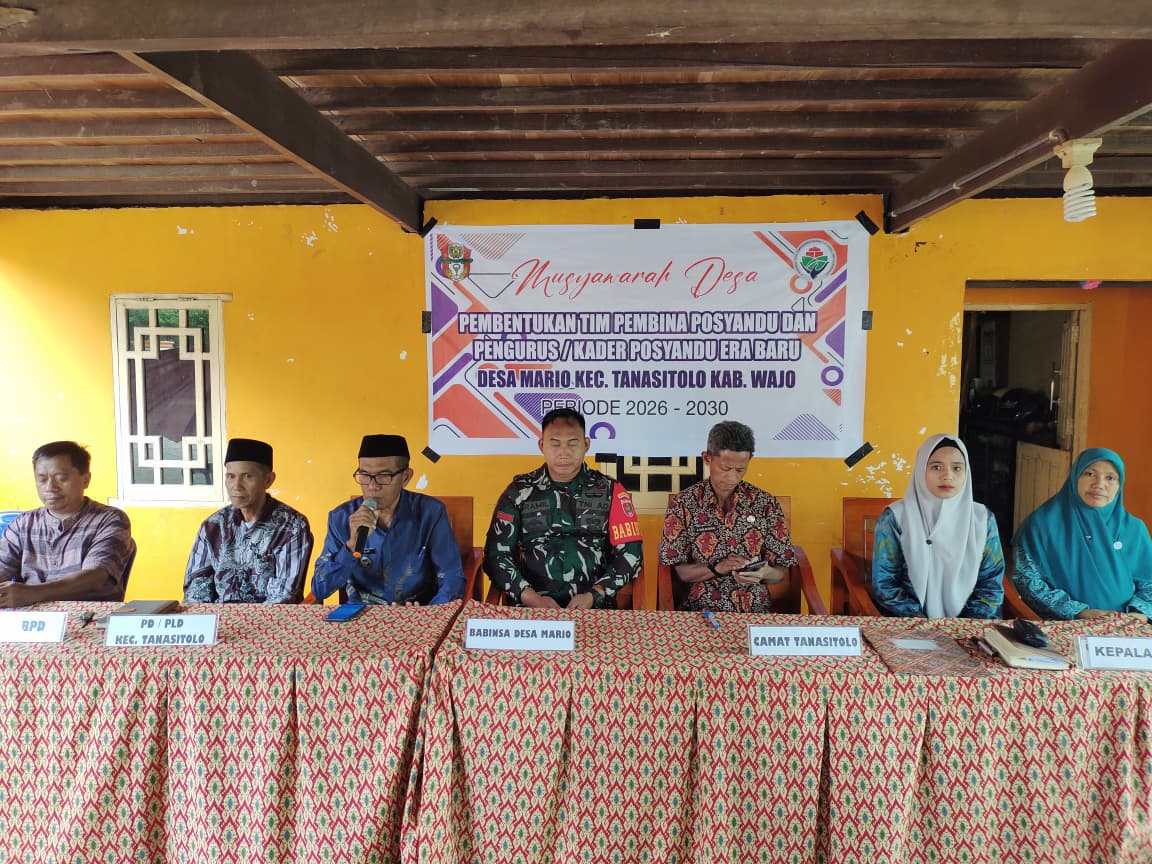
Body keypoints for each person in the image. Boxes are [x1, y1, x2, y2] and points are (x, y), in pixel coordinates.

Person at [485, 408, 642, 608]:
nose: (564, 452)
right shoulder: (519, 491)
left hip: (594, 609)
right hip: (530, 609)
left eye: (572, 443)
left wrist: (595, 594)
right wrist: (530, 597)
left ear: (586, 445)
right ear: (542, 445)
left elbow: (631, 553)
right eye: (555, 443)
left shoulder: (611, 491)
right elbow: (495, 555)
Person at [659, 420, 796, 612]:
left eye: (740, 470)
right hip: (702, 610)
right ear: (707, 458)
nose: (732, 477)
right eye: (725, 468)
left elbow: (780, 571)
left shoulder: (765, 504)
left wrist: (764, 573)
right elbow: (679, 571)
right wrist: (716, 568)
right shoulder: (683, 504)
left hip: (755, 610)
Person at [311, 434, 464, 605]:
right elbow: (320, 589)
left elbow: (452, 577)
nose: (372, 486)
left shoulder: (430, 513)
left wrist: (430, 613)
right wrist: (352, 545)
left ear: (405, 477)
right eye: (364, 475)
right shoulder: (341, 518)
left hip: (418, 609)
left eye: (383, 476)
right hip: (363, 612)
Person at [871, 433, 1004, 618]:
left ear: (966, 473)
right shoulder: (895, 517)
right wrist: (922, 622)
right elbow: (885, 584)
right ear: (921, 470)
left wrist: (964, 625)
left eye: (957, 468)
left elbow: (991, 583)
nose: (947, 476)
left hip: (971, 625)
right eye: (936, 467)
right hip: (910, 624)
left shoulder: (982, 519)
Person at [1012, 447, 1152, 620]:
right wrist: (1079, 612)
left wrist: (1139, 614)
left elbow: (1149, 583)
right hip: (1066, 624)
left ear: (1119, 485)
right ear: (1075, 476)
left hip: (1125, 625)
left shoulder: (1134, 529)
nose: (1099, 484)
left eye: (1110, 478)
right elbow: (1027, 581)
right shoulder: (1043, 524)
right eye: (1090, 474)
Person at [0, 440, 135, 607]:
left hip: (89, 616)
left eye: (62, 478)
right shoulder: (22, 524)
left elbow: (94, 578)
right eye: (42, 480)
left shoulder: (110, 520)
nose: (50, 487)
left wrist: (33, 593)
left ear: (85, 480)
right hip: (32, 618)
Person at [183, 438, 313, 604]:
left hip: (270, 618)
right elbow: (196, 589)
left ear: (268, 480)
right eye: (231, 476)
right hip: (219, 616)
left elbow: (282, 596)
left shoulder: (291, 526)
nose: (236, 486)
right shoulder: (213, 526)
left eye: (247, 477)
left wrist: (248, 619)